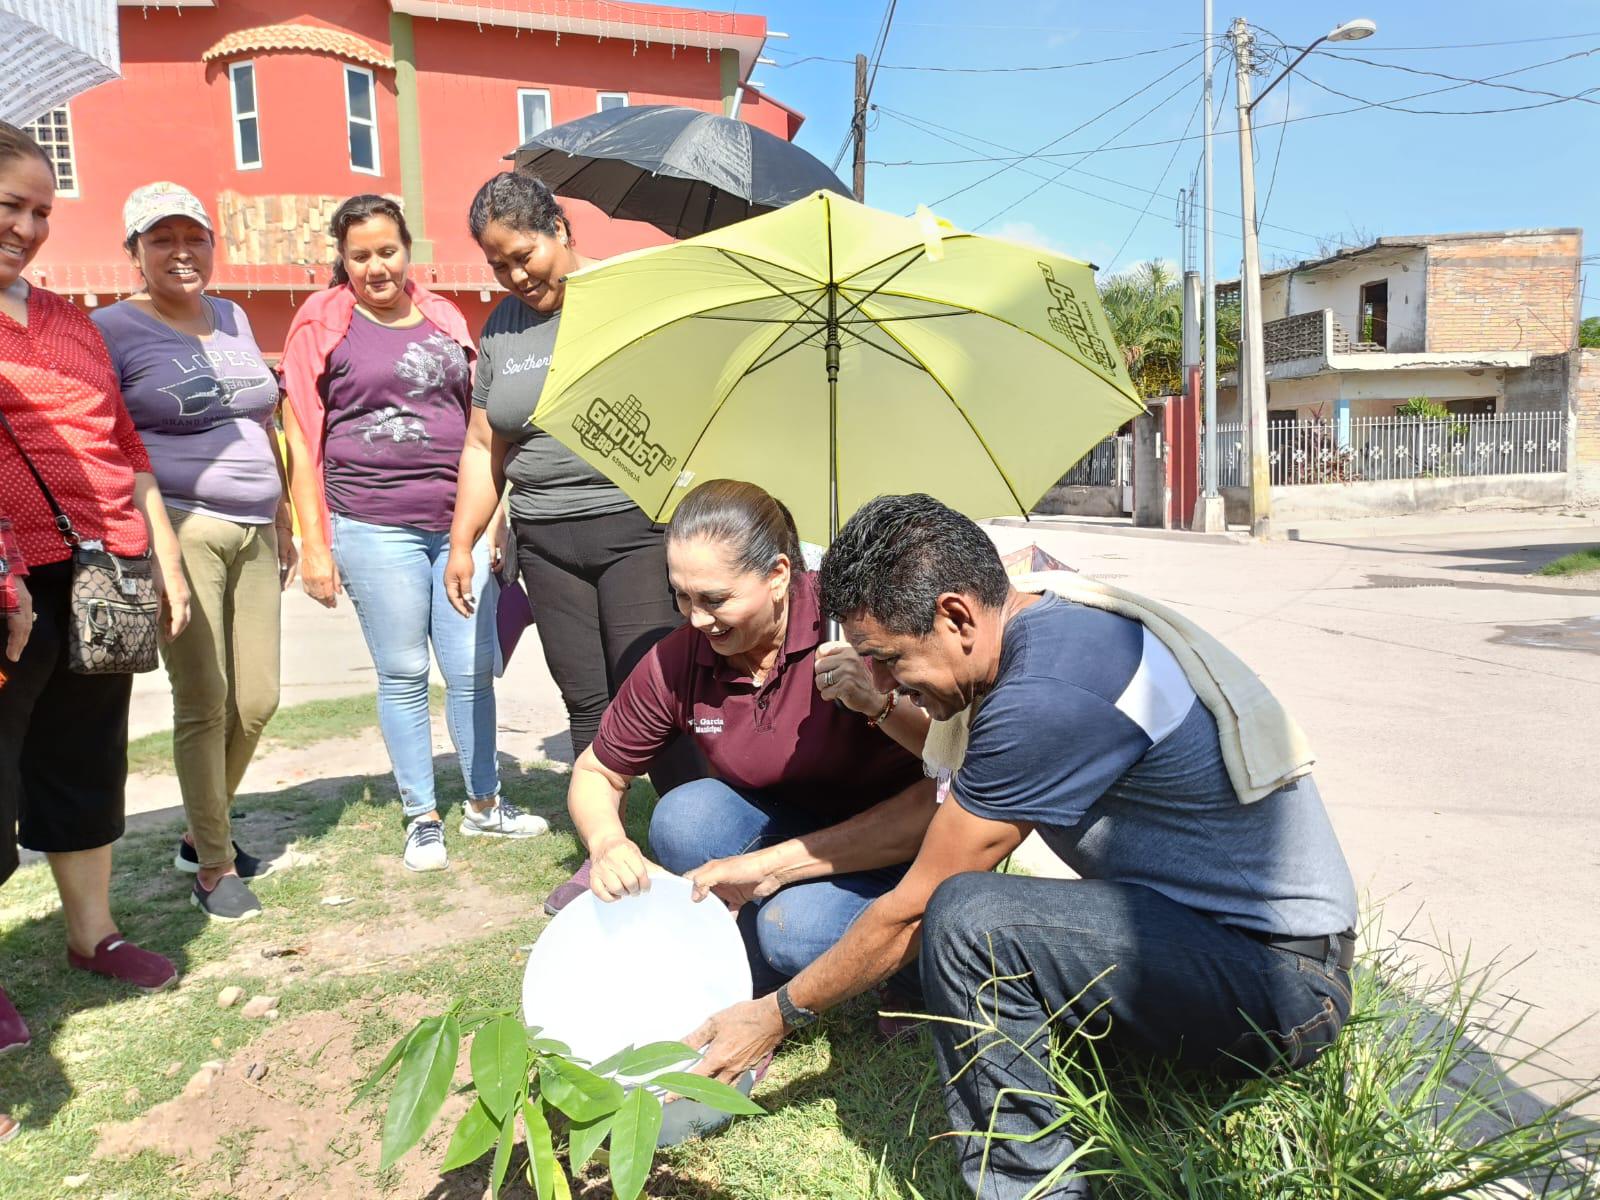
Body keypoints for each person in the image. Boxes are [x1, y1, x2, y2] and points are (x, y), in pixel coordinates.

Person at [684, 494, 1359, 1200]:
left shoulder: (1050, 693)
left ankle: (1031, 1187)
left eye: (887, 659)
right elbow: (962, 784)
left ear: (955, 616)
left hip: (1282, 986)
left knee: (969, 920)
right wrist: (767, 867)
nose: (883, 681)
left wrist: (775, 1015)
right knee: (979, 915)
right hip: (1204, 935)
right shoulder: (1044, 628)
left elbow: (915, 908)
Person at [566, 479, 934, 999]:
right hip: (795, 830)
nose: (696, 619)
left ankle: (919, 963)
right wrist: (607, 843)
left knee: (792, 929)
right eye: (681, 595)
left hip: (901, 844)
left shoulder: (856, 625)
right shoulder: (680, 657)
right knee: (685, 815)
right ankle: (784, 929)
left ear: (779, 575)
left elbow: (958, 764)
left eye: (715, 600)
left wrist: (881, 703)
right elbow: (597, 771)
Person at [447, 171, 701, 915]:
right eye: (499, 265)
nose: (518, 275)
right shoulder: (502, 329)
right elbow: (481, 446)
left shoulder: (628, 299)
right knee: (587, 700)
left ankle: (705, 849)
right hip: (547, 540)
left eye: (525, 254)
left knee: (658, 692)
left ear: (561, 230)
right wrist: (462, 540)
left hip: (635, 530)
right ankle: (607, 853)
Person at [280, 194, 544, 873]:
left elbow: (486, 428)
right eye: (360, 254)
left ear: (408, 249)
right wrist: (315, 542)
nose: (376, 266)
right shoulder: (321, 325)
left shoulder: (445, 316)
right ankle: (422, 816)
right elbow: (303, 437)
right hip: (372, 525)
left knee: (472, 670)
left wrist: (495, 517)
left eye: (388, 250)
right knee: (402, 672)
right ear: (342, 259)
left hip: (457, 522)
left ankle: (485, 805)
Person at [1, 124, 192, 1025]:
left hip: (98, 573)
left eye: (42, 210)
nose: (30, 227)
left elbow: (122, 443)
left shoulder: (69, 318)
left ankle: (94, 934)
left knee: (86, 759)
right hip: (8, 577)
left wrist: (160, 554)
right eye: (11, 206)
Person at [92, 182, 296, 921]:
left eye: (194, 236)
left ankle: (199, 827)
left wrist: (287, 516)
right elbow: (108, 439)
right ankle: (214, 862)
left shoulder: (234, 314)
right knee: (204, 700)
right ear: (135, 253)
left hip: (256, 527)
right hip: (180, 527)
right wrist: (145, 544)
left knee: (260, 698)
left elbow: (268, 420)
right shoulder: (109, 327)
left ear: (213, 242)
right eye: (161, 239)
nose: (181, 251)